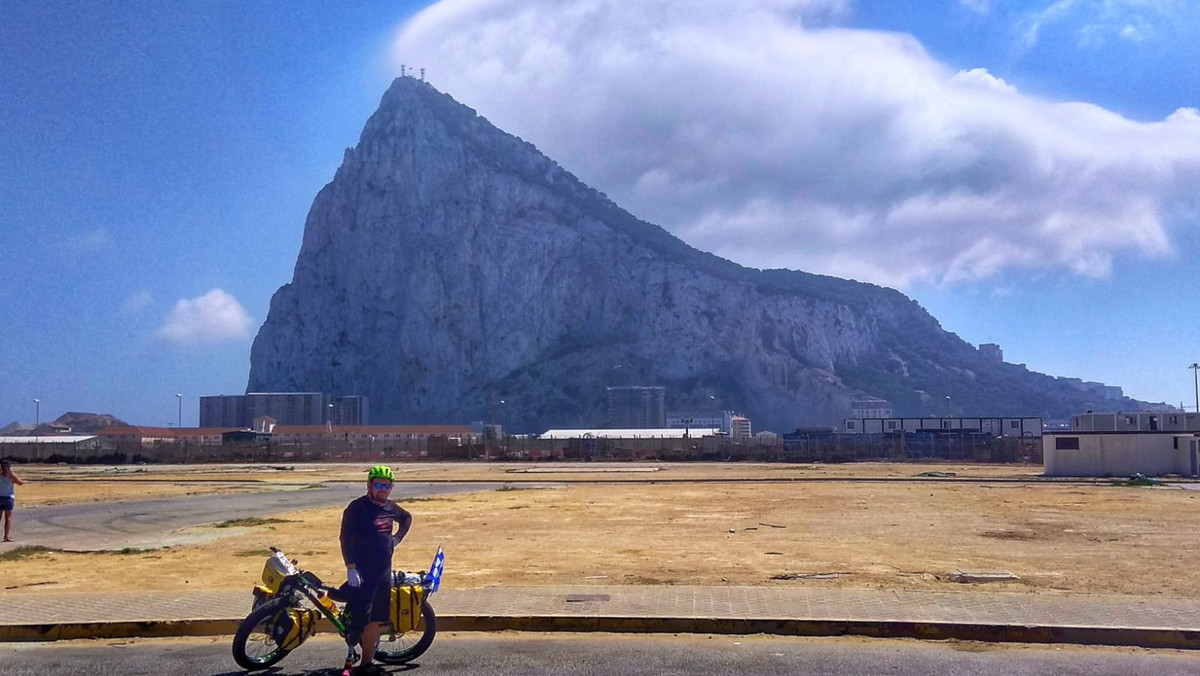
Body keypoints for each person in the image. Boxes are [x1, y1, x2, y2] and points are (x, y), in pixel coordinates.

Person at [339, 465, 412, 676]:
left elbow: (407, 519)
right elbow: (345, 538)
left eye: (386, 485)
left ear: (391, 487)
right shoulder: (356, 508)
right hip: (362, 571)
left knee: (375, 620)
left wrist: (396, 539)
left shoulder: (390, 508)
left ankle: (366, 664)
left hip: (383, 571)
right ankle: (352, 655)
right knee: (360, 618)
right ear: (369, 485)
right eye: (378, 484)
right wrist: (350, 567)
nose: (382, 489)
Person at [1, 458, 24, 542]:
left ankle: (6, 536)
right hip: (8, 498)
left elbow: (20, 483)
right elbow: (20, 482)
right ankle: (6, 536)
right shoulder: (11, 475)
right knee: (8, 518)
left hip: (2, 497)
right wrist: (11, 473)